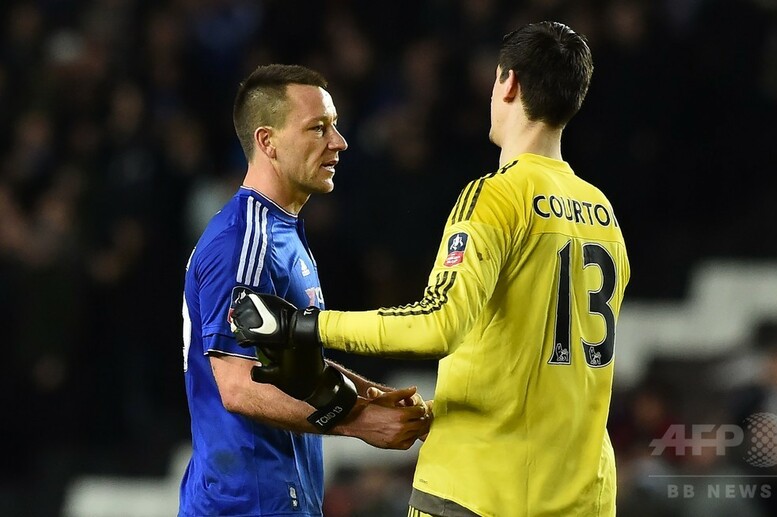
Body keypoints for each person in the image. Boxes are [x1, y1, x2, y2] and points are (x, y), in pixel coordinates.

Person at [231, 21, 631, 517]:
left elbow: (437, 324)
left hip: (479, 488)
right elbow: (547, 361)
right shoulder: (603, 214)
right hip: (583, 495)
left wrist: (304, 326)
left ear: (507, 83)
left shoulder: (496, 197)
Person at [179, 64, 431, 517]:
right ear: (267, 142)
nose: (339, 142)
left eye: (334, 126)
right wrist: (357, 422)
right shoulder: (243, 240)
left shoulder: (282, 231)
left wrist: (369, 395)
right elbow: (238, 386)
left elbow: (288, 364)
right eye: (318, 128)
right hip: (245, 505)